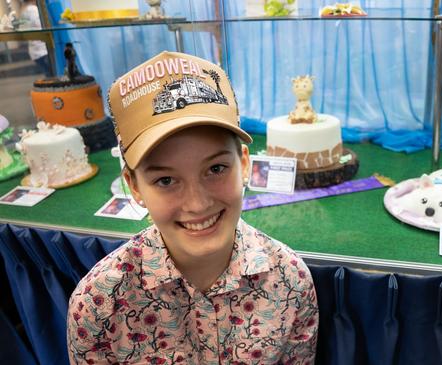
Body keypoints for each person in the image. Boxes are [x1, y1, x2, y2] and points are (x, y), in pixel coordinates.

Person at [67, 51, 319, 364]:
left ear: (243, 163)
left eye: (215, 169)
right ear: (134, 186)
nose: (197, 203)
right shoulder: (99, 304)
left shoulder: (291, 281)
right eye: (165, 180)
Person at [19, 0, 52, 77]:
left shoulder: (24, 11)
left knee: (48, 75)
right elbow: (41, 26)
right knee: (52, 76)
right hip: (42, 50)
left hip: (35, 52)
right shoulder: (33, 10)